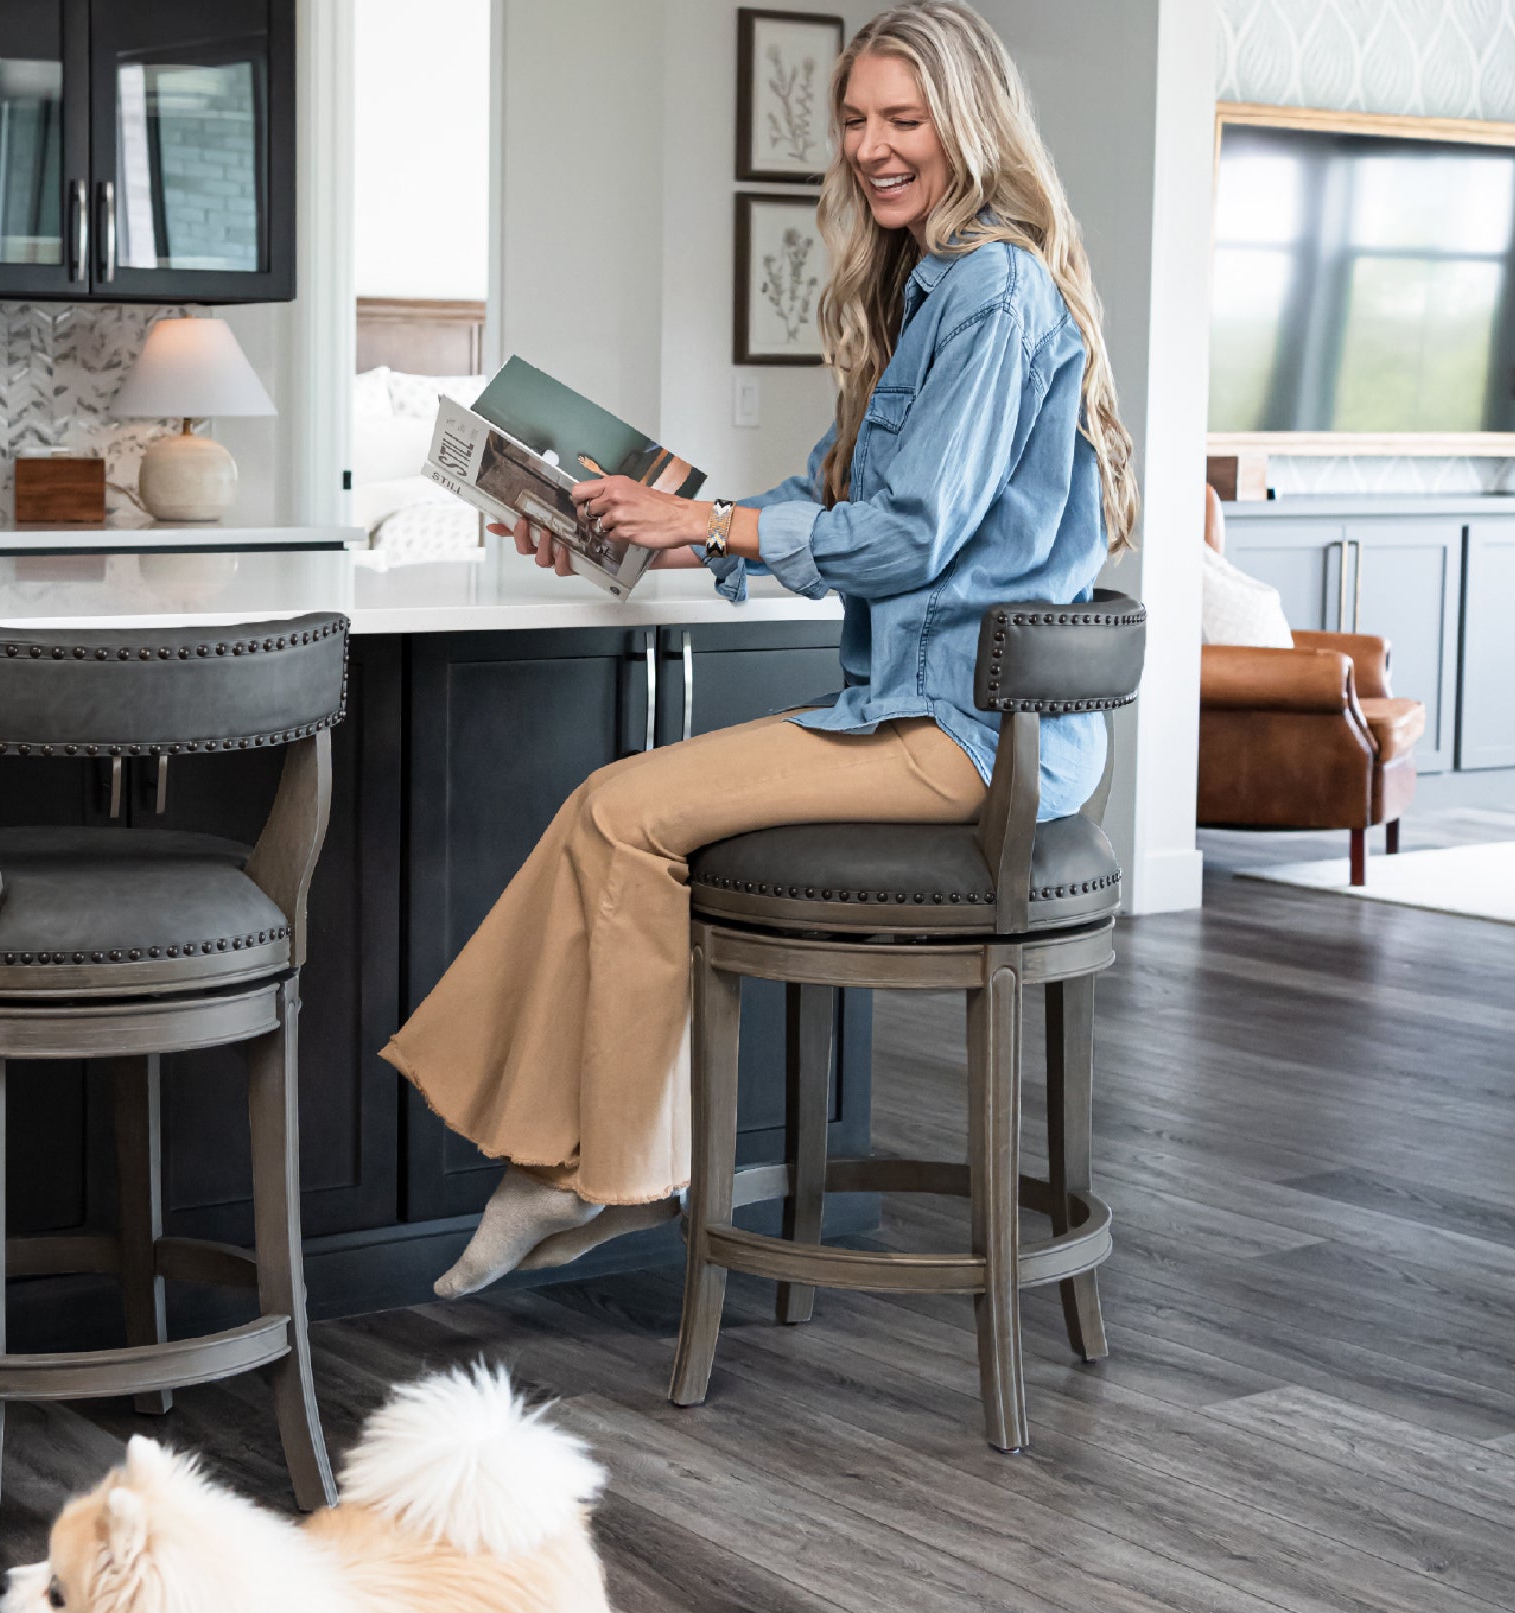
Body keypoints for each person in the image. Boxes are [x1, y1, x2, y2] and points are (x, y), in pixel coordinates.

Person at [383, 0, 1140, 1300]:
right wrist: (644, 534)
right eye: (853, 119)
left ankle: (600, 1169)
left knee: (619, 812)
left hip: (961, 734)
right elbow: (825, 500)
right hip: (921, 714)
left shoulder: (994, 288)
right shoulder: (927, 291)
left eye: (902, 119)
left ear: (967, 125)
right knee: (611, 812)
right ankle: (585, 1165)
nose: (871, 146)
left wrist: (705, 521)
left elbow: (906, 534)